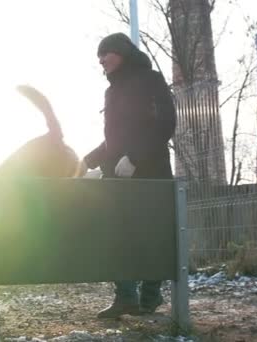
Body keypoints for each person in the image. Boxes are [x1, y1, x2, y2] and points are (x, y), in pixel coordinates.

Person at [77, 32, 177, 318]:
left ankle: (149, 296)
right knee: (117, 233)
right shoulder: (111, 90)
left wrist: (136, 157)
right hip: (117, 178)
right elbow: (113, 140)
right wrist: (87, 160)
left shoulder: (151, 80)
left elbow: (166, 122)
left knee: (152, 235)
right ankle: (126, 297)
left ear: (120, 52)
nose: (100, 62)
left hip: (150, 172)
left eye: (104, 55)